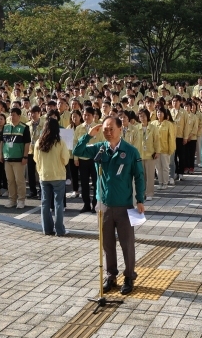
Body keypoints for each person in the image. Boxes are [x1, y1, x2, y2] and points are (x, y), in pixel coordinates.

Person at [73, 115, 145, 296]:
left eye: (111, 128)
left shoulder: (131, 151)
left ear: (121, 129)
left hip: (124, 205)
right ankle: (111, 275)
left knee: (127, 243)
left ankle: (129, 276)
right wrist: (89, 135)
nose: (108, 132)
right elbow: (78, 150)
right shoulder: (100, 148)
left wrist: (141, 199)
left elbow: (139, 176)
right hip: (103, 205)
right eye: (105, 129)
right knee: (107, 244)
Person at [35, 118, 72, 236]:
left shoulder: (38, 142)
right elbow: (65, 160)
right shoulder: (60, 142)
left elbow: (36, 159)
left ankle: (47, 229)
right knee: (58, 203)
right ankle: (60, 230)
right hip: (58, 175)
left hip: (44, 175)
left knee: (45, 203)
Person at [1, 107, 31, 209]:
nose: (12, 117)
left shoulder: (24, 127)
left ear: (19, 116)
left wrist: (25, 156)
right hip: (7, 158)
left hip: (19, 159)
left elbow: (27, 143)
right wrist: (1, 154)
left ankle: (21, 200)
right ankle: (12, 200)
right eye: (11, 114)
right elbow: (2, 142)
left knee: (20, 180)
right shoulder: (5, 127)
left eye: (14, 115)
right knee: (10, 180)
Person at [131, 108, 161, 200]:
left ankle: (150, 193)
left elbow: (156, 140)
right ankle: (141, 193)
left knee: (150, 175)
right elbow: (133, 142)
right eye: (140, 116)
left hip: (150, 154)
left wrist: (157, 151)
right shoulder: (136, 128)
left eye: (144, 116)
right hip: (139, 155)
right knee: (141, 176)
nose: (142, 118)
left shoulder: (153, 128)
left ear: (147, 116)